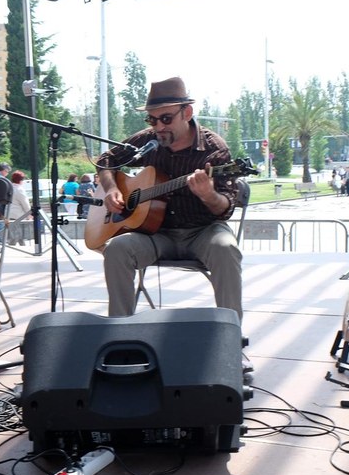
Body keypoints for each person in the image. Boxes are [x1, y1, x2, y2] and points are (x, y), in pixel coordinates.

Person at [96, 76, 243, 322]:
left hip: (202, 231)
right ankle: (118, 332)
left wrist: (209, 195)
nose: (159, 127)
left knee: (226, 248)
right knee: (116, 249)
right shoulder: (147, 140)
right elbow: (106, 161)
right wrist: (112, 189)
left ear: (187, 112)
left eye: (166, 118)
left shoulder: (213, 149)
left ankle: (232, 338)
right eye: (152, 120)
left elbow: (225, 207)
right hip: (156, 234)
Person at [7, 170, 31, 246]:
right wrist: (29, 213)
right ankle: (19, 246)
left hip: (8, 213)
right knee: (19, 234)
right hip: (19, 215)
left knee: (14, 233)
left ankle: (15, 245)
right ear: (21, 180)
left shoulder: (8, 188)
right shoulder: (20, 189)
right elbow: (25, 203)